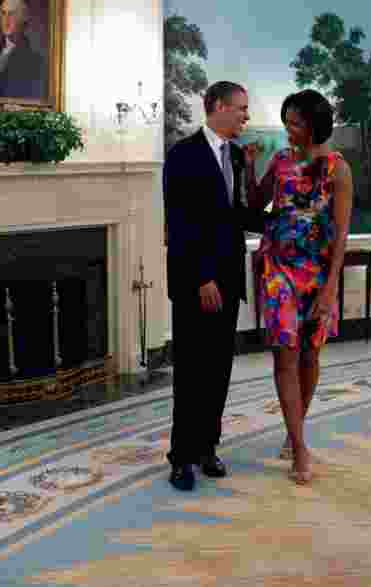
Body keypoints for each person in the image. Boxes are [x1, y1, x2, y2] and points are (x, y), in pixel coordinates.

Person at [245, 89, 354, 485]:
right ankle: (300, 446)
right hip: (279, 268)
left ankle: (295, 432)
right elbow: (257, 205)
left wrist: (330, 289)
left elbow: (341, 234)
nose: (288, 130)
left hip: (318, 273)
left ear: (314, 124)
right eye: (286, 121)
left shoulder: (338, 169)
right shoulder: (281, 161)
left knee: (309, 355)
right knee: (284, 358)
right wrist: (249, 166)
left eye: (295, 122)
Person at [162, 80, 259, 492]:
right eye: (240, 108)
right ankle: (181, 457)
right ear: (217, 106)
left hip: (229, 278)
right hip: (195, 281)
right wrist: (202, 276)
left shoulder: (236, 156)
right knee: (191, 370)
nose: (246, 116)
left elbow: (238, 215)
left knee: (218, 369)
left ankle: (207, 447)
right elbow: (180, 223)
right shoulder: (182, 155)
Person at [0, 0, 45, 99]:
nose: (6, 20)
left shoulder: (35, 61)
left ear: (22, 19)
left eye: (12, 14)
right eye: (3, 14)